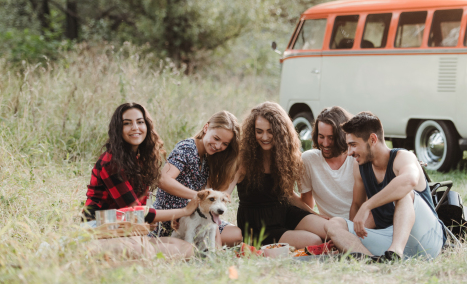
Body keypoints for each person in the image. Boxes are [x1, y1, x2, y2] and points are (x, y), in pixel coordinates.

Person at [325, 112, 447, 261]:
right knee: (334, 224)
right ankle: (373, 261)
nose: (350, 152)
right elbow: (357, 205)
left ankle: (395, 253)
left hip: (427, 238)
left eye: (353, 145)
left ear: (372, 139)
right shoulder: (360, 166)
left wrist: (367, 206)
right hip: (388, 239)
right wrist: (349, 236)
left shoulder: (403, 157)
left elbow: (409, 181)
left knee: (404, 192)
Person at [83, 102, 195, 259]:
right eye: (127, 123)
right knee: (143, 251)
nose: (135, 127)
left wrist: (147, 223)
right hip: (98, 226)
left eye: (140, 122)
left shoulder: (141, 160)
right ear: (118, 129)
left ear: (147, 126)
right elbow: (136, 212)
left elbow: (138, 215)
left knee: (187, 248)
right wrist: (185, 211)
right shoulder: (111, 162)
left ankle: (130, 255)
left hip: (126, 227)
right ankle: (89, 250)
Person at [226, 102, 329, 249]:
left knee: (328, 228)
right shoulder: (243, 159)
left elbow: (287, 194)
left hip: (284, 211)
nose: (265, 137)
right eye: (259, 131)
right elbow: (224, 193)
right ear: (252, 131)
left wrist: (314, 214)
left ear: (281, 131)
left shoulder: (284, 156)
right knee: (315, 240)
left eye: (271, 131)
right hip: (259, 224)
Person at [152, 110, 243, 247]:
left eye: (225, 144)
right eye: (216, 138)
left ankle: (203, 246)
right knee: (186, 245)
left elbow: (209, 210)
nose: (218, 146)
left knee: (236, 235)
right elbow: (163, 179)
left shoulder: (208, 158)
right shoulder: (187, 148)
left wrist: (217, 244)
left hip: (198, 219)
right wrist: (198, 196)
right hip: (173, 220)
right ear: (206, 128)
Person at [300, 106, 356, 220]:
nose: (325, 143)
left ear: (342, 136)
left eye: (331, 138)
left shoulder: (356, 158)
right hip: (327, 226)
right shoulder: (308, 160)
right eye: (321, 137)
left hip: (358, 225)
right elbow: (307, 204)